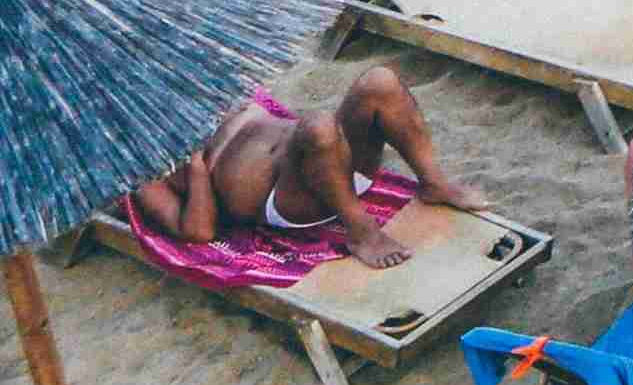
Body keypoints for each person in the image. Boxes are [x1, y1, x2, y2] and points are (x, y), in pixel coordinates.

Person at [116, 67, 479, 264]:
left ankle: (432, 182)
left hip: (335, 165)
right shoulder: (140, 161)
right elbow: (196, 231)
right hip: (291, 198)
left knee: (379, 83)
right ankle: (360, 230)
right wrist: (196, 168)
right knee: (319, 127)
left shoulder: (202, 88)